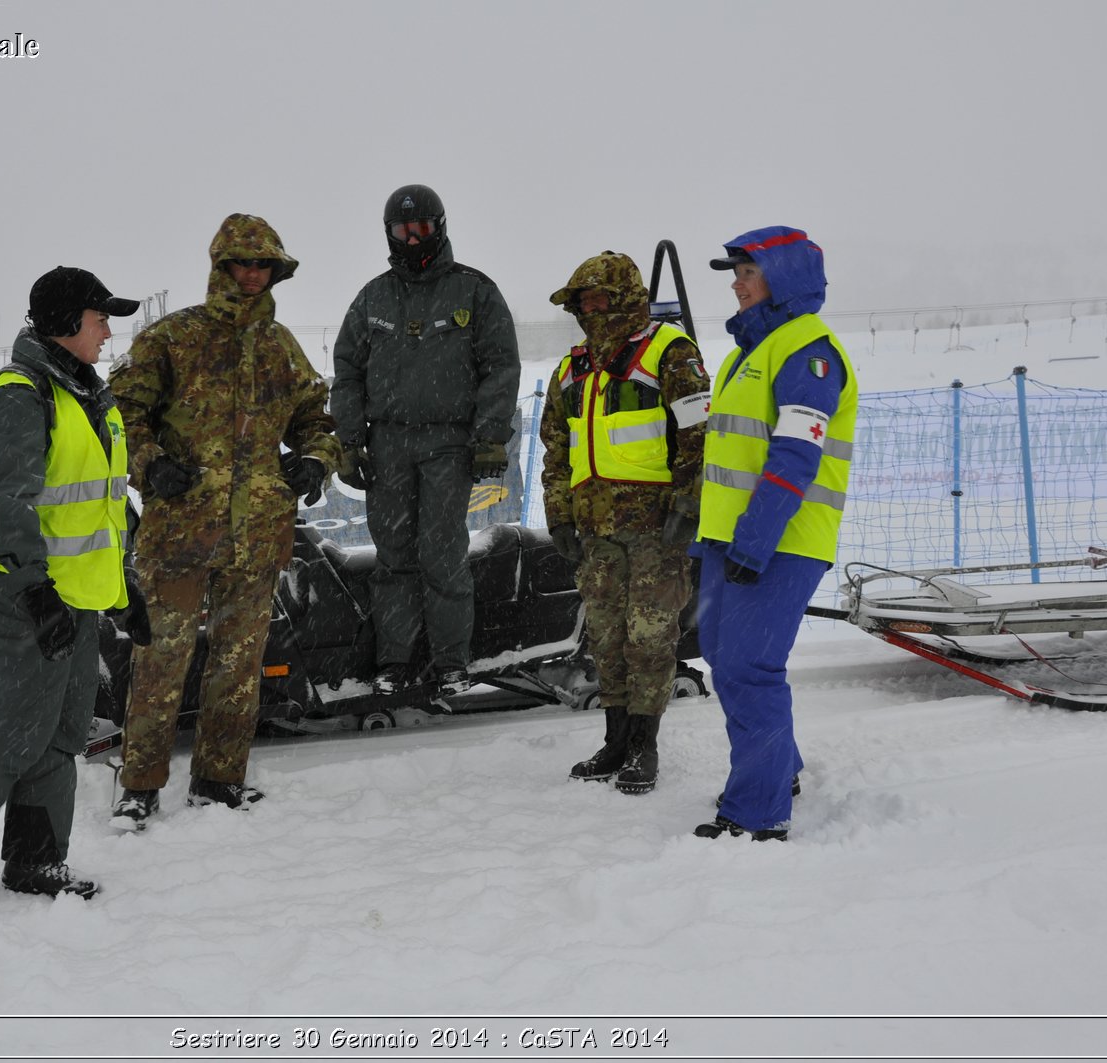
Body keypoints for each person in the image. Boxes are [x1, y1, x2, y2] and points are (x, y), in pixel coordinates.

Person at [0, 266, 144, 912]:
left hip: (78, 599)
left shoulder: (88, 398)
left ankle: (37, 861)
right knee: (15, 729)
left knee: (62, 734)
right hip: (26, 597)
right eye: (100, 319)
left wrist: (126, 588)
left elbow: (102, 508)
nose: (107, 332)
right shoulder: (21, 396)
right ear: (67, 323)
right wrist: (36, 588)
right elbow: (7, 503)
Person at [108, 214, 338, 827]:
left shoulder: (281, 346)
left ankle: (219, 779)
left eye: (265, 265)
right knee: (160, 662)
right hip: (181, 532)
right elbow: (121, 419)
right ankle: (139, 785)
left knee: (238, 666)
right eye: (244, 263)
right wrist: (149, 465)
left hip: (257, 535)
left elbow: (317, 418)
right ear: (221, 266)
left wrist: (314, 459)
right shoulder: (171, 339)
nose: (254, 275)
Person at [691, 226, 857, 842]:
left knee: (749, 668)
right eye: (734, 273)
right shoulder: (749, 352)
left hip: (780, 541)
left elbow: (793, 457)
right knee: (721, 658)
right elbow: (732, 451)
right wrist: (709, 539)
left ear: (783, 277)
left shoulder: (808, 355)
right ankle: (778, 768)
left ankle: (756, 813)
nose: (735, 284)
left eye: (747, 273)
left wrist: (753, 542)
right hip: (729, 541)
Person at [329, 184, 521, 698]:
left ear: (439, 227)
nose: (411, 239)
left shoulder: (474, 292)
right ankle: (394, 662)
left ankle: (450, 663)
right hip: (387, 446)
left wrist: (488, 438)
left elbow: (500, 367)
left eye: (420, 229)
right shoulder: (373, 297)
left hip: (448, 445)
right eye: (400, 231)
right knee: (393, 557)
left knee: (442, 553)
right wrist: (348, 442)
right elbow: (346, 371)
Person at [539, 252, 710, 795]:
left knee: (650, 638)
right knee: (607, 638)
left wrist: (688, 507)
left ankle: (645, 745)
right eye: (581, 301)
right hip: (596, 532)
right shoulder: (570, 370)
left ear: (627, 299)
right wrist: (559, 517)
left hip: (658, 530)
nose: (589, 309)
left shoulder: (671, 353)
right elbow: (555, 453)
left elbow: (700, 438)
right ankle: (615, 742)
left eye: (598, 299)